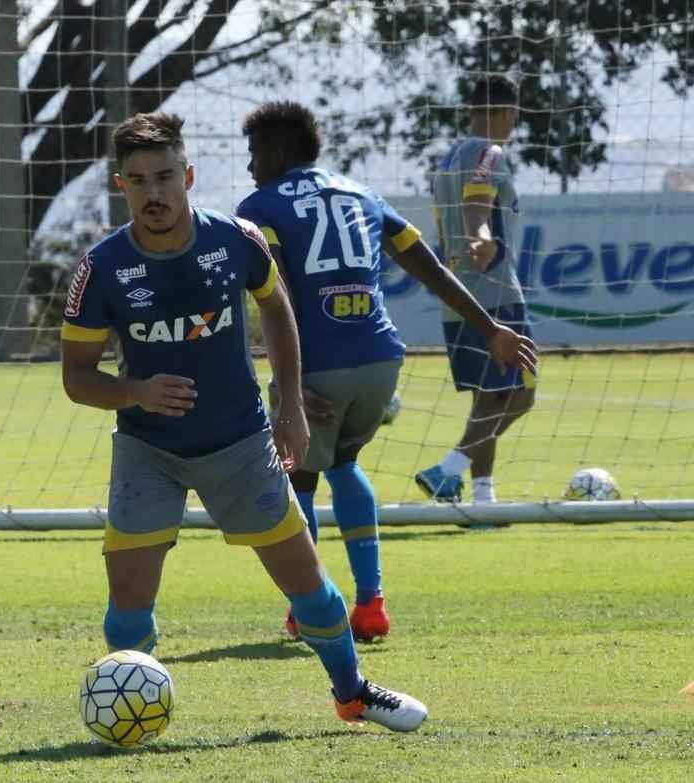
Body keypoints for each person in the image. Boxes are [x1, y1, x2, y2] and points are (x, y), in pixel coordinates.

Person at [61, 111, 428, 731]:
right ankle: (126, 715)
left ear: (189, 175)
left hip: (240, 442)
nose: (155, 192)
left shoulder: (237, 240)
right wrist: (137, 391)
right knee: (128, 602)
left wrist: (289, 405)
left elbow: (278, 313)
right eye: (139, 180)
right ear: (121, 186)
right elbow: (77, 378)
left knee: (308, 586)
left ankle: (353, 692)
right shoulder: (101, 270)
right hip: (148, 449)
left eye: (166, 176)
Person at [235, 101, 537, 642]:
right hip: (380, 357)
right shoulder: (362, 193)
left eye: (255, 154)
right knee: (346, 461)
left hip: (318, 358)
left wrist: (294, 385)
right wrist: (489, 327)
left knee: (298, 472)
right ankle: (371, 605)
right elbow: (428, 265)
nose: (251, 167)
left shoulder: (261, 206)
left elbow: (276, 295)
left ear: (278, 152)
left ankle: (308, 607)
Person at [416, 74, 537, 505]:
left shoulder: (448, 158)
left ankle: (483, 496)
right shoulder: (490, 151)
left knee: (489, 400)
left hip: (458, 299)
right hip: (495, 294)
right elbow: (477, 203)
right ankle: (447, 469)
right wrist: (481, 234)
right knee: (522, 395)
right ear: (509, 113)